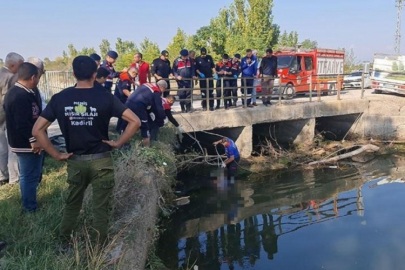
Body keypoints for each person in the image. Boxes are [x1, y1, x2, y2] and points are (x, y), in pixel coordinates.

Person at [32, 55, 141, 245]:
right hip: (101, 161)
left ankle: (64, 243)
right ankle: (99, 247)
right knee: (101, 207)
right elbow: (135, 121)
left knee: (72, 204)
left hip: (75, 160)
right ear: (94, 74)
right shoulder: (105, 97)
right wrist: (118, 143)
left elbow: (37, 130)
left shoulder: (60, 98)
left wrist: (56, 154)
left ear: (73, 74)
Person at [4, 62, 43, 212]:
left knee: (29, 175)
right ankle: (30, 208)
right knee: (28, 176)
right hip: (25, 143)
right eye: (38, 78)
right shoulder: (19, 95)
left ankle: (30, 202)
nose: (38, 81)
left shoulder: (23, 92)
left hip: (25, 141)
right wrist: (33, 140)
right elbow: (22, 123)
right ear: (33, 77)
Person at [0, 52, 24, 185]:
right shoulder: (11, 77)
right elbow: (10, 100)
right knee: (12, 148)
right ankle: (14, 178)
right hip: (6, 117)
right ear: (14, 65)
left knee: (1, 147)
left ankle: (2, 175)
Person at [124, 81, 167, 147]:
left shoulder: (147, 85)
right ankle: (147, 149)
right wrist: (163, 117)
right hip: (138, 107)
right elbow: (159, 108)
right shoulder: (156, 91)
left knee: (131, 123)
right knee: (145, 128)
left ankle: (124, 142)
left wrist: (150, 112)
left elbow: (147, 101)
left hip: (128, 103)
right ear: (163, 87)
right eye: (164, 90)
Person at [114, 67, 138, 132]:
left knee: (121, 114)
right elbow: (125, 90)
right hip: (121, 98)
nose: (135, 76)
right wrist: (133, 98)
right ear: (133, 73)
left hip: (117, 97)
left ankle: (118, 128)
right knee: (124, 114)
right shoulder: (126, 79)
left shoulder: (123, 75)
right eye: (136, 74)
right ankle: (121, 129)